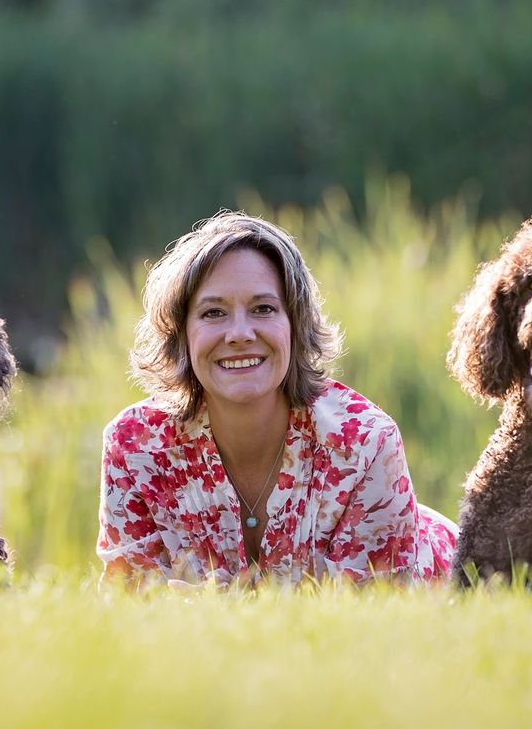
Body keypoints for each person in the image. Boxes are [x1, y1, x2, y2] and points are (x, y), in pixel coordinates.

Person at [96, 211, 457, 585]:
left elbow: (371, 612)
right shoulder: (133, 447)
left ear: (295, 326)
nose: (239, 333)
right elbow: (133, 606)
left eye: (263, 309)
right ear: (181, 333)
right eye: (213, 312)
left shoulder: (366, 443)